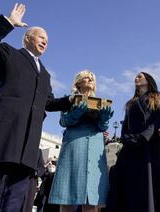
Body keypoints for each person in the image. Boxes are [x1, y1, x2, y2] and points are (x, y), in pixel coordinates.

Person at [0, 4, 73, 211]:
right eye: (41, 36)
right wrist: (8, 23)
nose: (45, 41)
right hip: (4, 136)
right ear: (27, 38)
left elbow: (48, 102)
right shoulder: (9, 54)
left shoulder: (45, 74)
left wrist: (70, 100)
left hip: (27, 144)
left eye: (47, 39)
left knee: (16, 199)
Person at [48, 70, 113, 212]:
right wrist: (75, 113)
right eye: (86, 77)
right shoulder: (69, 99)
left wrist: (104, 119)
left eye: (92, 78)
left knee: (92, 197)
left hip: (96, 147)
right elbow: (64, 121)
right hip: (74, 146)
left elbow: (102, 127)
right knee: (67, 193)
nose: (90, 80)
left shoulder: (101, 102)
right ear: (78, 82)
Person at [106, 72, 160, 212]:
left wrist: (143, 137)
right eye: (136, 76)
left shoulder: (159, 97)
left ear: (148, 80)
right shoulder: (130, 103)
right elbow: (125, 125)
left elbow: (157, 121)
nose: (136, 78)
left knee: (149, 184)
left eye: (140, 76)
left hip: (149, 145)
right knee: (127, 186)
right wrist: (126, 139)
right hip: (130, 148)